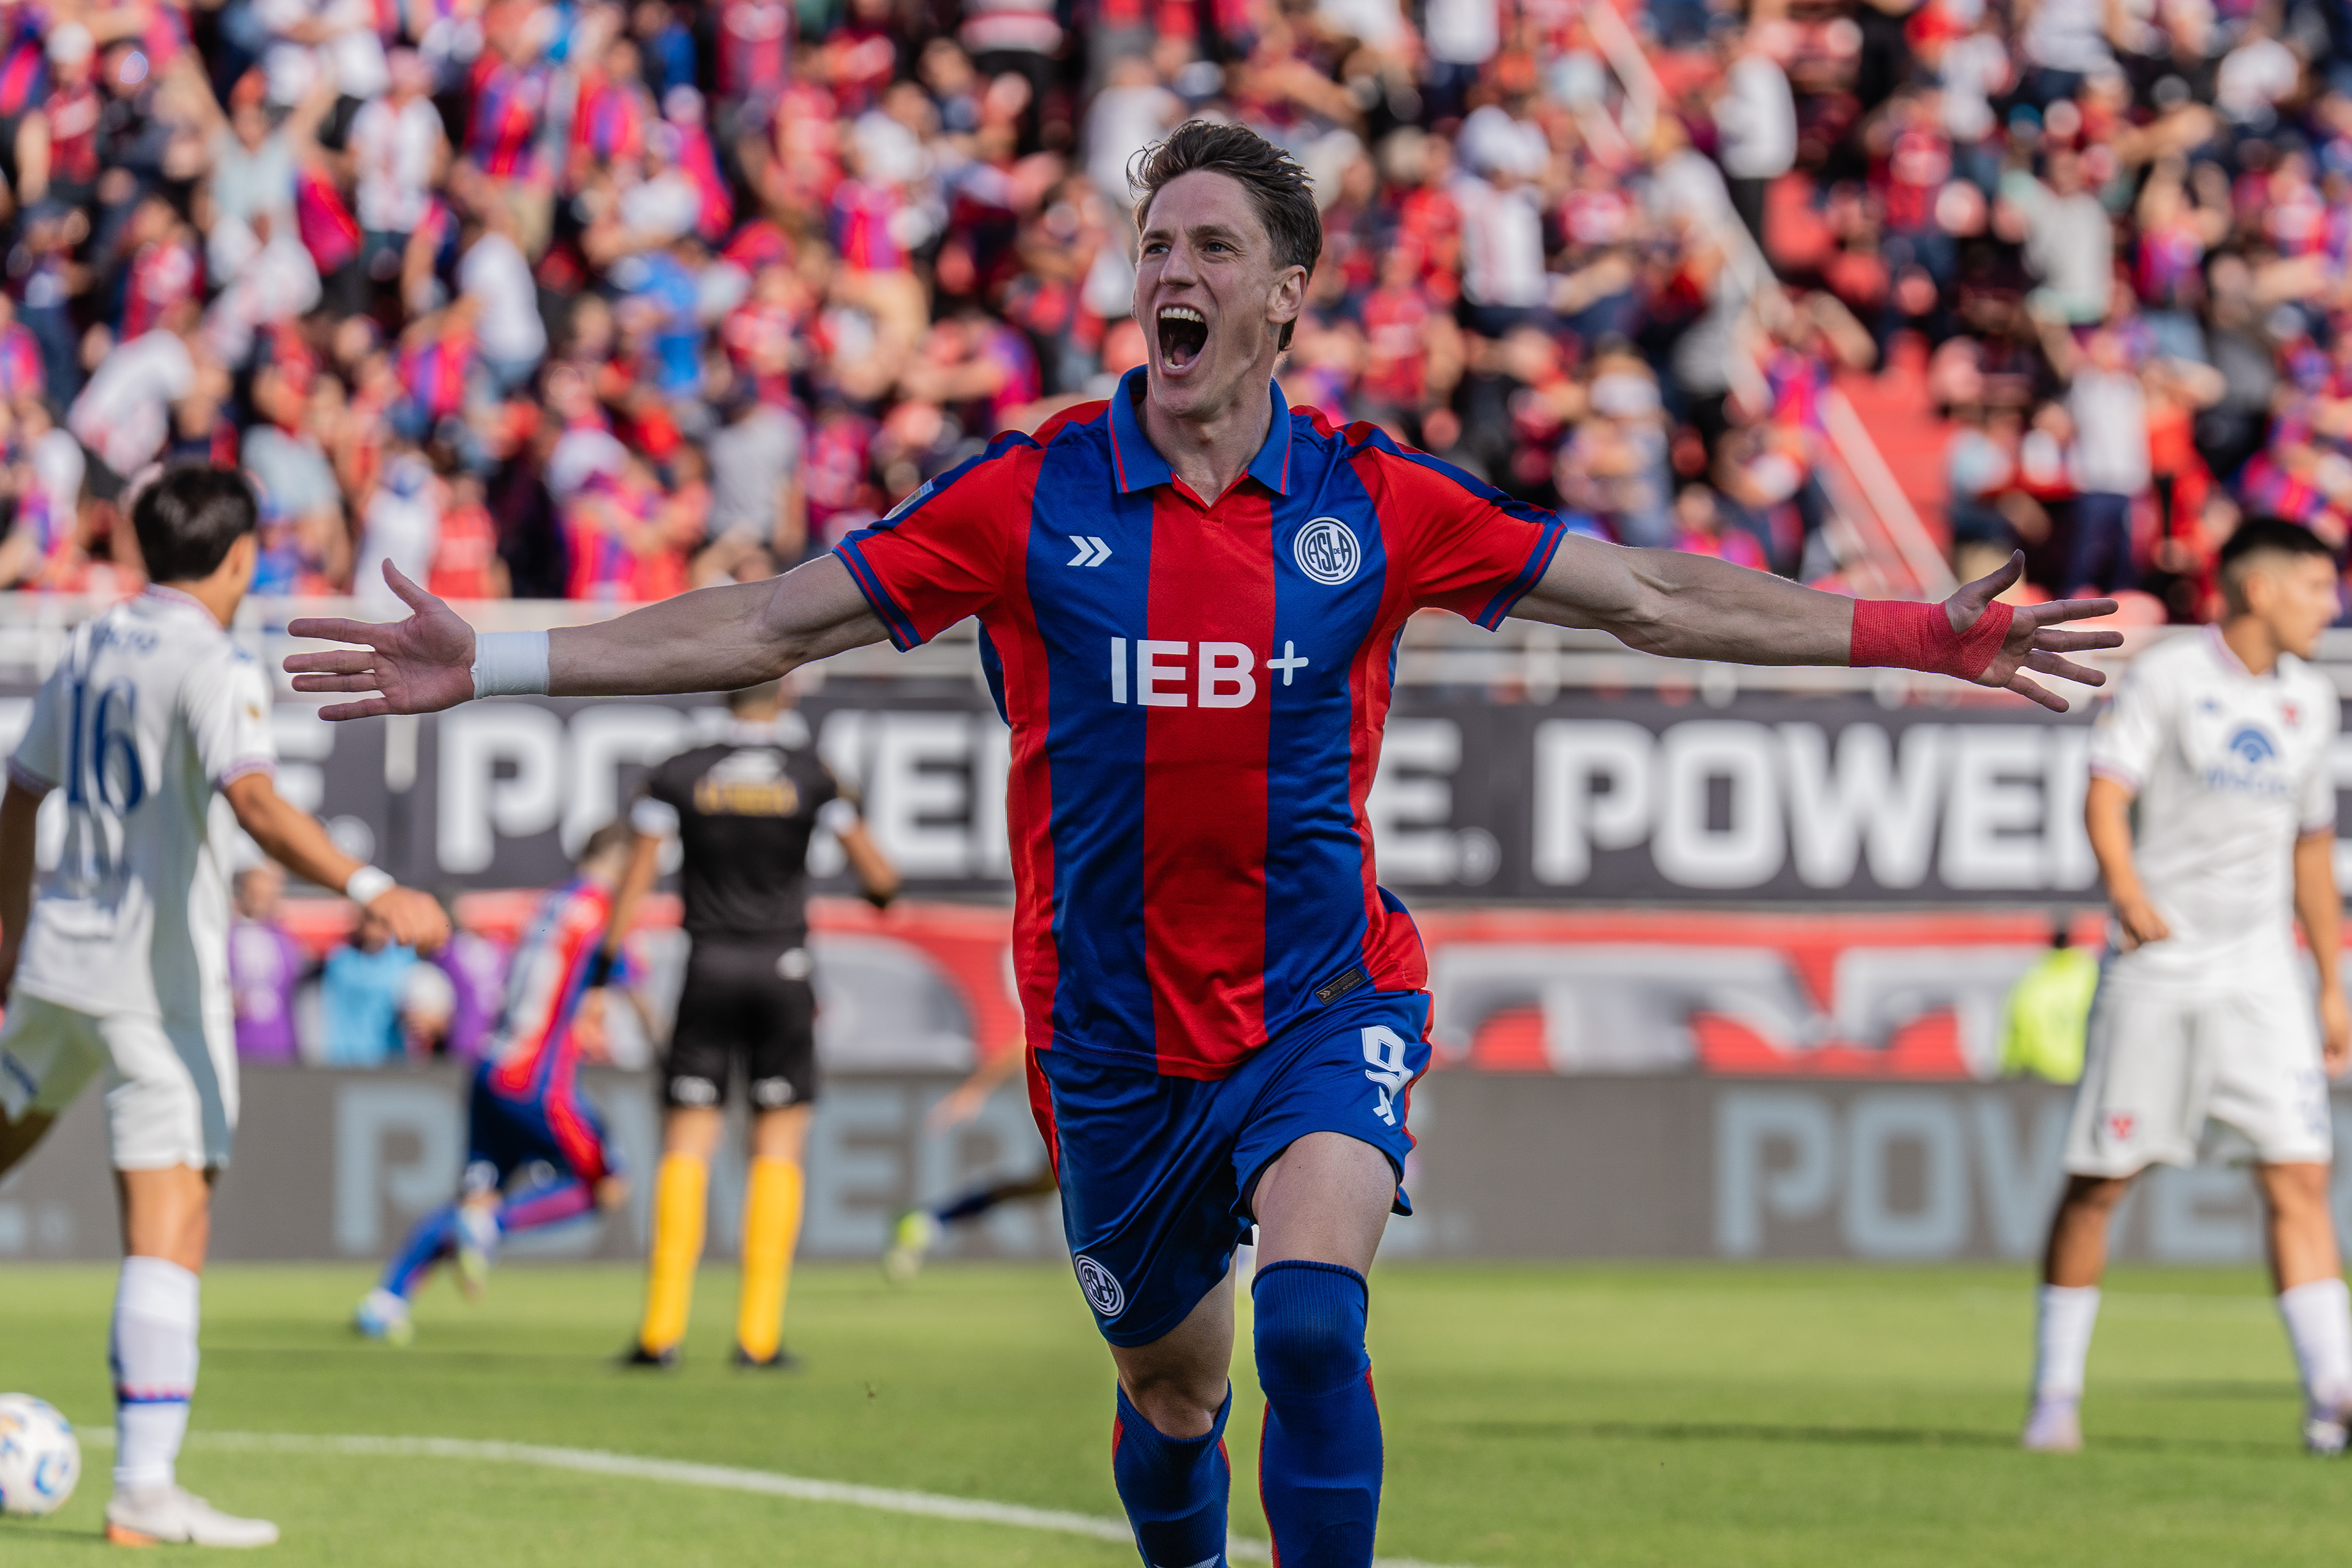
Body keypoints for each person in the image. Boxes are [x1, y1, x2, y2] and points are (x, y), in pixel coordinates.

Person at [284, 121, 2120, 1567]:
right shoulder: (1026, 494)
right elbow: (765, 625)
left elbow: (1638, 592)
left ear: (1283, 301)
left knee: (1313, 1319)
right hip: (1107, 1046)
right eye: (1151, 243)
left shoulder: (1375, 501)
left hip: (1323, 999)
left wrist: (1913, 635)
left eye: (1208, 247)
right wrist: (503, 653)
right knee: (1175, 1395)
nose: (1168, 268)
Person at [0, 464, 447, 1548]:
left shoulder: (97, 640)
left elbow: (19, 795)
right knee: (172, 1222)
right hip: (157, 987)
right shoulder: (213, 658)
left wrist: (8, 939)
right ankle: (145, 1487)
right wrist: (374, 888)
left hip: (58, 963)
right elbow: (254, 800)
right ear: (241, 558)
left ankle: (149, 1482)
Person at [2024, 519, 2352, 1458]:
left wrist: (2330, 985)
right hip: (2159, 967)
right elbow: (2106, 789)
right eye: (2318, 587)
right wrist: (2127, 892)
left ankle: (2333, 1397)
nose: (2331, 608)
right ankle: (2056, 1396)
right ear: (2260, 590)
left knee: (2298, 1174)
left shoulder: (2310, 703)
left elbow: (2313, 854)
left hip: (2262, 974)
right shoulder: (2170, 678)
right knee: (2100, 1182)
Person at [604, 677, 898, 1369]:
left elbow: (636, 881)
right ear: (787, 693)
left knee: (686, 1145)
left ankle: (660, 1332)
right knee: (778, 1149)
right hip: (784, 972)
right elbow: (882, 881)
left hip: (705, 970)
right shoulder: (814, 774)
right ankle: (758, 1337)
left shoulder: (679, 770)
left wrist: (605, 965)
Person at [355, 822, 638, 1344]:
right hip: (537, 1079)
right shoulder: (601, 914)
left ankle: (386, 1299)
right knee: (605, 1185)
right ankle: (494, 1227)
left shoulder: (549, 906)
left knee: (472, 1202)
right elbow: (631, 985)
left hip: (490, 1066)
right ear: (624, 863)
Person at [1998, 919, 2099, 1084]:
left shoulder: (2032, 979)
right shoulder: (2093, 974)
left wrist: (2010, 1073)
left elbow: (2015, 1036)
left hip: (2043, 1080)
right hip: (2086, 1076)